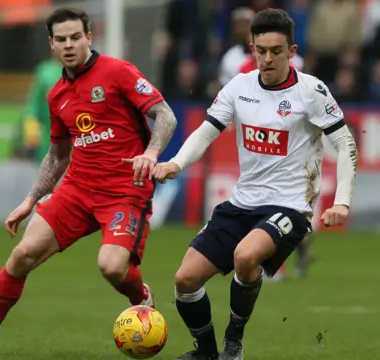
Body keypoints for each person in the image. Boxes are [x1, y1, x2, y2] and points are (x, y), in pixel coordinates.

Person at [0, 7, 177, 356]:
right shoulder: (56, 94)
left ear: (89, 37)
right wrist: (29, 199)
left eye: (75, 37)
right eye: (61, 39)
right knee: (22, 254)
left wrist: (152, 151)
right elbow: (56, 155)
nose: (69, 45)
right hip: (77, 189)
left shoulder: (118, 72)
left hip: (124, 191)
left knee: (111, 267)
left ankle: (141, 298)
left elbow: (165, 114)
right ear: (51, 44)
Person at [152, 9, 358, 360]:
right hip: (241, 202)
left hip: (290, 206)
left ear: (291, 52)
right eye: (260, 50)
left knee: (245, 255)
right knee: (185, 280)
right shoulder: (239, 86)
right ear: (252, 48)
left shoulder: (312, 92)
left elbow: (345, 144)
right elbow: (206, 131)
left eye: (276, 51)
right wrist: (175, 162)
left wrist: (342, 201)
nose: (267, 58)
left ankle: (234, 341)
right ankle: (206, 351)